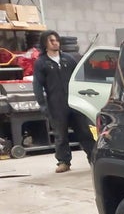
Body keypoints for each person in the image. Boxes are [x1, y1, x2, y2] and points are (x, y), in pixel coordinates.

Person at [32, 30, 95, 173]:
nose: (55, 43)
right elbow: (37, 85)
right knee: (61, 136)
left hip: (74, 102)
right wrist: (42, 105)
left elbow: (80, 77)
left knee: (85, 132)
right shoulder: (41, 63)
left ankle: (93, 158)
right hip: (56, 105)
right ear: (45, 43)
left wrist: (85, 96)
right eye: (51, 41)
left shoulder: (69, 59)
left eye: (56, 40)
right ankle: (64, 162)